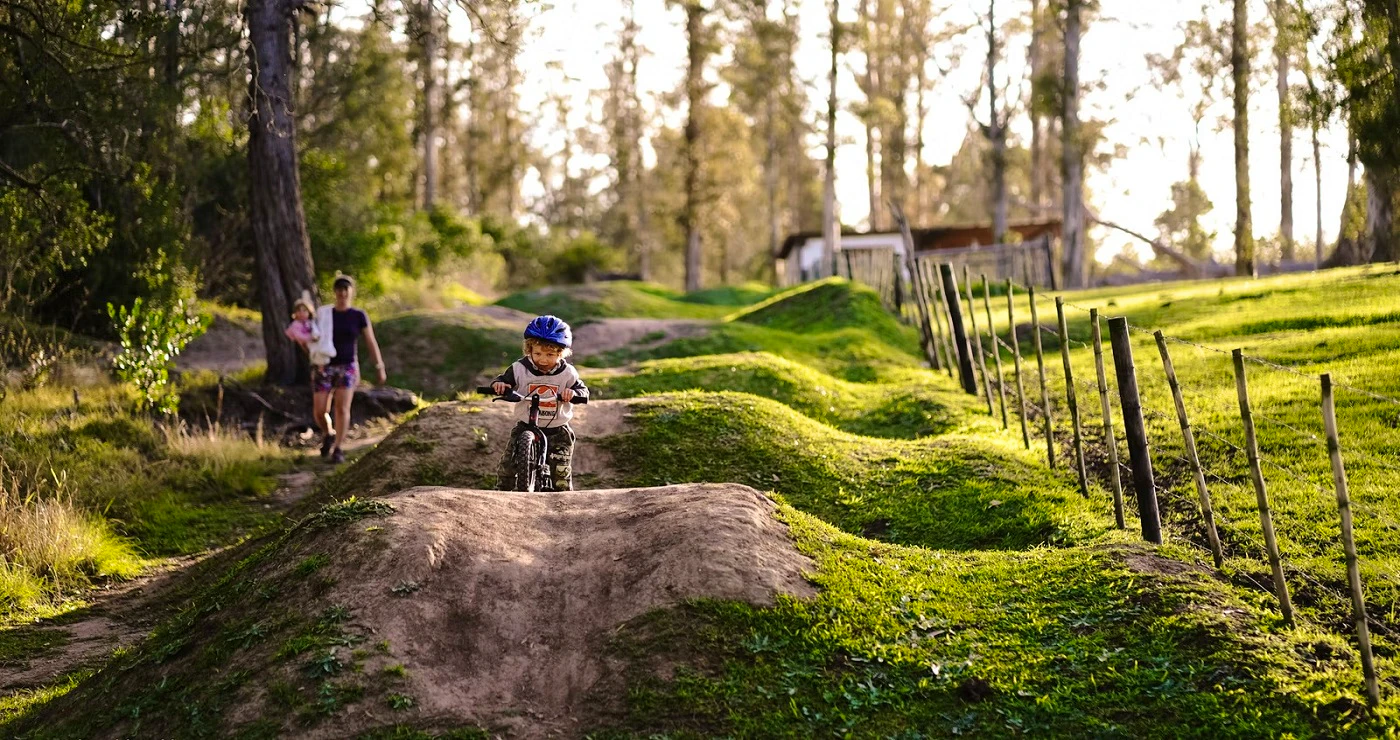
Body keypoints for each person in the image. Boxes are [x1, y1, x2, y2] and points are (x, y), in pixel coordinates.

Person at [490, 315, 589, 490]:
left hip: (558, 430)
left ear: (560, 353)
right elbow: (503, 381)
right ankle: (501, 493)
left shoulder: (568, 373)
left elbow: (583, 391)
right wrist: (500, 385)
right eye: (537, 354)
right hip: (526, 425)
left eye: (550, 355)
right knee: (508, 465)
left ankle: (563, 500)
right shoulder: (519, 368)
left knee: (561, 473)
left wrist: (572, 393)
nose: (543, 360)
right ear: (529, 350)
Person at [314, 274, 386, 464]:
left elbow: (370, 341)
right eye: (339, 289)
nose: (342, 293)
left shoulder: (358, 315)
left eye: (345, 289)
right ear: (335, 292)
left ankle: (338, 448)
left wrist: (379, 366)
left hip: (348, 366)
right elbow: (312, 338)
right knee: (320, 410)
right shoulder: (324, 315)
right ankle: (328, 433)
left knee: (342, 407)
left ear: (351, 292)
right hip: (324, 366)